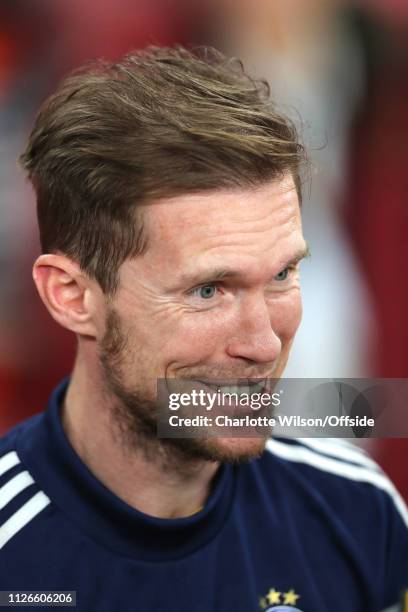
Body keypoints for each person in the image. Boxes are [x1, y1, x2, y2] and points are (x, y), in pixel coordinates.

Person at [0, 46, 406, 612]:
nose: (263, 343)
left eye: (283, 274)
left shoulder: (360, 513)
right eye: (208, 290)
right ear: (72, 297)